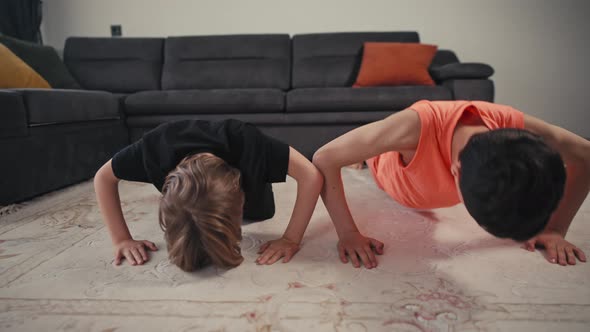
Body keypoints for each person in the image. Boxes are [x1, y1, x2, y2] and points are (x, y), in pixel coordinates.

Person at [312, 100, 589, 269]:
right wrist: (348, 233)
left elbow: (586, 155)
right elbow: (324, 157)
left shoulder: (517, 128)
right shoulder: (415, 127)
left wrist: (553, 229)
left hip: (423, 154)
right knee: (364, 156)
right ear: (455, 171)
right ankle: (362, 160)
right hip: (387, 170)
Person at [94, 119, 323, 271]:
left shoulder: (250, 144)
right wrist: (121, 239)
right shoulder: (155, 149)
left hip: (256, 199)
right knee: (193, 226)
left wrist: (291, 238)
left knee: (261, 214)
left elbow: (311, 176)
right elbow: (103, 178)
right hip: (177, 170)